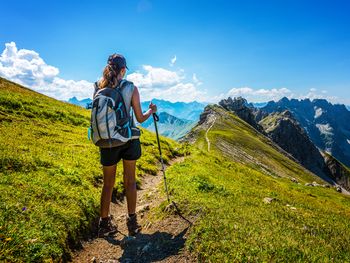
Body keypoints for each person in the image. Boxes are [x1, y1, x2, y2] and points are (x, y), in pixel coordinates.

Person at [95, 54, 157, 237]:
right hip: (128, 139)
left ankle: (104, 224)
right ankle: (132, 222)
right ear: (123, 70)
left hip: (106, 141)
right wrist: (151, 111)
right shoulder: (131, 88)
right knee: (130, 181)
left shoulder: (98, 87)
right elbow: (139, 118)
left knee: (108, 184)